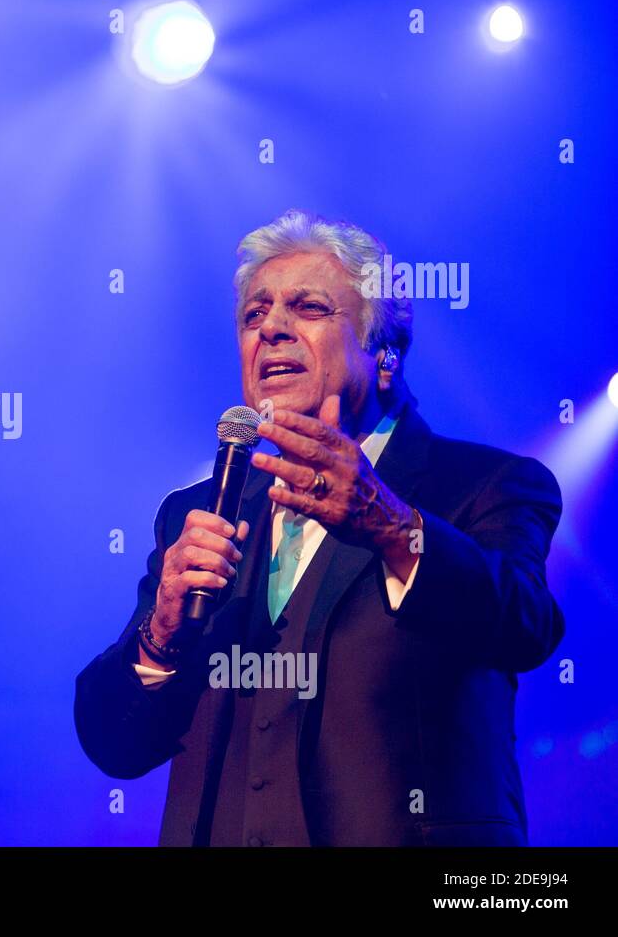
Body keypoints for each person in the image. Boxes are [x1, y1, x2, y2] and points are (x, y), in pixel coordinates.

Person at [74, 208, 564, 846]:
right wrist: (161, 633)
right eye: (254, 315)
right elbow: (117, 745)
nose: (271, 328)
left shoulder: (486, 485)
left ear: (384, 356)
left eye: (306, 307)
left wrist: (393, 526)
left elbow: (525, 626)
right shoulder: (198, 512)